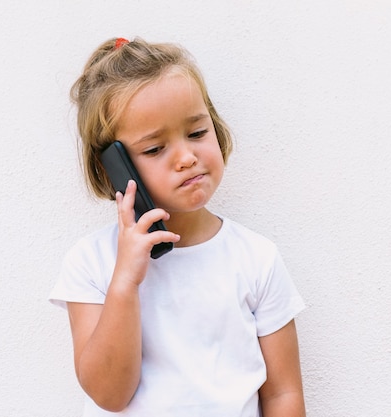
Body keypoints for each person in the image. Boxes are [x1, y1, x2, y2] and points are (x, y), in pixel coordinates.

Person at [49, 37, 306, 417]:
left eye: (197, 133)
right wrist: (124, 281)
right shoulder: (91, 262)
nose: (187, 157)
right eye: (155, 149)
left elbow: (283, 393)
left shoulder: (256, 258)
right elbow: (109, 394)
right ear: (114, 167)